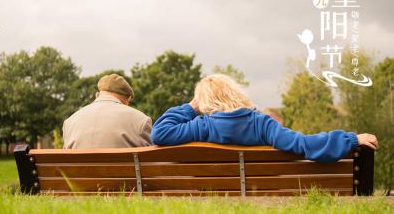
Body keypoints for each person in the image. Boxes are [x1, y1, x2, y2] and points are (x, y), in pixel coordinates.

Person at [150, 74, 378, 162]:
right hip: (260, 192)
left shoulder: (201, 126)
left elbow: (159, 133)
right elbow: (302, 144)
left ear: (204, 101)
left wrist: (191, 107)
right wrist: (350, 139)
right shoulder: (262, 123)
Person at [63, 74, 152, 149]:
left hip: (79, 170)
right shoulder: (141, 121)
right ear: (127, 99)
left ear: (97, 95)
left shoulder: (69, 122)